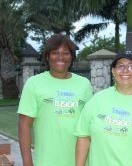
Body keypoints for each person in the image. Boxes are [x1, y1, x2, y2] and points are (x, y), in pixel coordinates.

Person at [18, 34, 93, 166]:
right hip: (46, 161)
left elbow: (90, 126)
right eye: (55, 53)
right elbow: (24, 125)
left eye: (66, 53)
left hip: (79, 161)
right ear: (47, 56)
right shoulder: (34, 83)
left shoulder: (84, 84)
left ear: (72, 57)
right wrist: (27, 162)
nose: (60, 57)